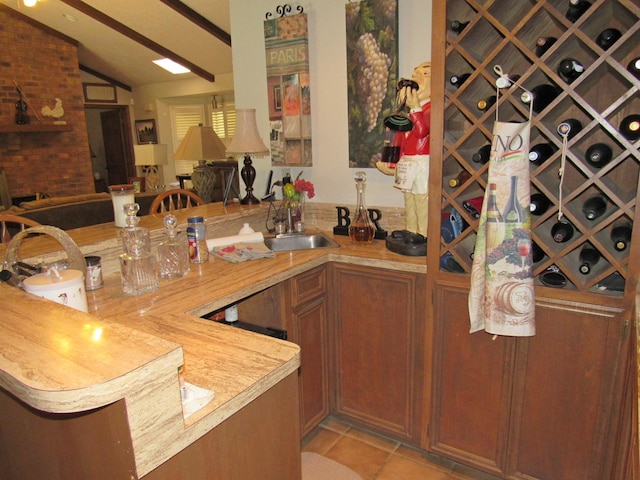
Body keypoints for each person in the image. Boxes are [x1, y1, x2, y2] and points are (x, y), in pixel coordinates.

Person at [377, 61, 431, 242]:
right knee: (409, 196)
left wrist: (415, 107)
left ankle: (423, 233)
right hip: (410, 160)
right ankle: (411, 229)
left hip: (424, 160)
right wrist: (394, 166)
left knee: (422, 198)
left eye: (424, 74)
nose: (416, 79)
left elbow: (422, 131)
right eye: (415, 74)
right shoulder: (409, 112)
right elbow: (403, 139)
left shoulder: (431, 109)